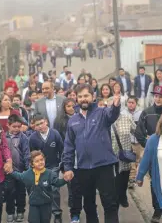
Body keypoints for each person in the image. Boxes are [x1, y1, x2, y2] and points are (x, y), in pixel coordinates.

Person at [62, 84, 121, 223]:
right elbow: (69, 146)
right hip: (83, 169)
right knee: (88, 205)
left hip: (104, 166)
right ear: (76, 98)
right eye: (80, 96)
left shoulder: (102, 113)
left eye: (86, 96)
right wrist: (68, 168)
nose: (83, 99)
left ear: (93, 97)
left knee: (110, 203)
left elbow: (112, 115)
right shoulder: (73, 120)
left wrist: (116, 106)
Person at [135, 85, 162, 222]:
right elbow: (139, 132)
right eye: (156, 96)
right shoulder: (147, 112)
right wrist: (149, 147)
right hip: (155, 156)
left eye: (161, 97)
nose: (157, 99)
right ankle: (157, 210)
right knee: (155, 182)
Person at [8, 150, 68, 223]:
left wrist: (65, 179)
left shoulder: (49, 173)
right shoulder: (28, 174)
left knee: (45, 221)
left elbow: (57, 183)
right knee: (33, 221)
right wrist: (11, 172)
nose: (40, 162)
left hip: (46, 204)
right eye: (37, 161)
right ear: (32, 164)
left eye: (42, 160)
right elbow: (19, 176)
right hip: (34, 204)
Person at [29, 114, 64, 223]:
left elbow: (62, 149)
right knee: (43, 189)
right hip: (41, 168)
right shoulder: (33, 138)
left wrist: (62, 164)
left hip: (54, 166)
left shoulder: (55, 134)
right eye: (37, 124)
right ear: (34, 126)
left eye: (41, 123)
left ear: (46, 122)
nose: (40, 126)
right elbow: (32, 154)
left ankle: (57, 213)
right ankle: (45, 213)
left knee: (54, 189)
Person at [4, 114, 30, 223]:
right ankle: (10, 212)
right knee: (9, 192)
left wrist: (28, 170)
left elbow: (26, 154)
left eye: (19, 127)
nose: (16, 129)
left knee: (21, 193)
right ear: (8, 125)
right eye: (14, 126)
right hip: (8, 172)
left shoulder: (23, 138)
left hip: (21, 171)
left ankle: (20, 211)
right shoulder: (3, 138)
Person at [121, 96, 143, 188]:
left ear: (136, 103)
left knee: (137, 160)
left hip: (138, 141)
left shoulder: (141, 113)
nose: (130, 104)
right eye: (129, 102)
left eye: (132, 102)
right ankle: (131, 179)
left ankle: (133, 176)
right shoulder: (123, 113)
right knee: (131, 161)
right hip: (127, 141)